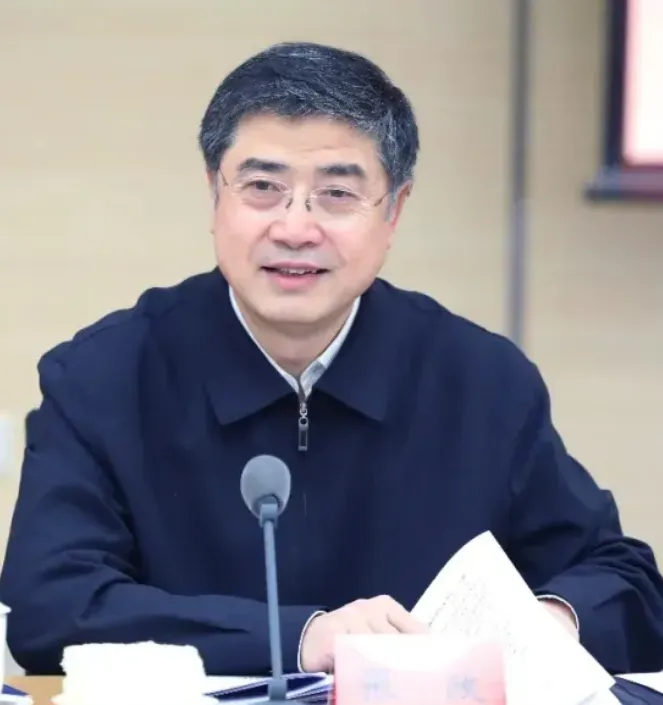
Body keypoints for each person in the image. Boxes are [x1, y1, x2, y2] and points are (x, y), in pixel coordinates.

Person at [2, 41, 663, 678]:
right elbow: (49, 606)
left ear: (394, 211)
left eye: (337, 194)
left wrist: (549, 621)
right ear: (214, 195)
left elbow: (625, 581)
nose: (295, 228)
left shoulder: (480, 382)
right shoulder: (103, 378)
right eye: (262, 186)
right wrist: (304, 638)